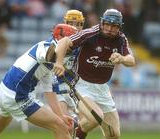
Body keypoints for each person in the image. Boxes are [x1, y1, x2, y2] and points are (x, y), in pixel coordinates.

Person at [0, 23, 77, 139]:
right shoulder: (46, 47)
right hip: (16, 95)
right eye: (71, 40)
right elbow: (51, 54)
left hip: (5, 90)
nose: (74, 44)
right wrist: (60, 61)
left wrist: (60, 115)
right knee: (60, 127)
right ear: (61, 39)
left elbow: (48, 89)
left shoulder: (50, 62)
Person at [53, 9, 136, 139]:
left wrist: (122, 58)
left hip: (103, 88)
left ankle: (77, 130)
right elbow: (63, 42)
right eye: (107, 24)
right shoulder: (91, 33)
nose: (109, 29)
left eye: (113, 26)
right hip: (82, 85)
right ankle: (77, 134)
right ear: (102, 22)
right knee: (94, 118)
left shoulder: (121, 39)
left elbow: (131, 60)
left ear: (119, 27)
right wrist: (58, 62)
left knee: (113, 134)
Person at [53, 9, 85, 117]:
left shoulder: (84, 43)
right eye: (70, 23)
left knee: (80, 124)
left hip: (75, 87)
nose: (74, 27)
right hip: (58, 85)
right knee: (65, 122)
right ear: (64, 23)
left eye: (78, 24)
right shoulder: (55, 40)